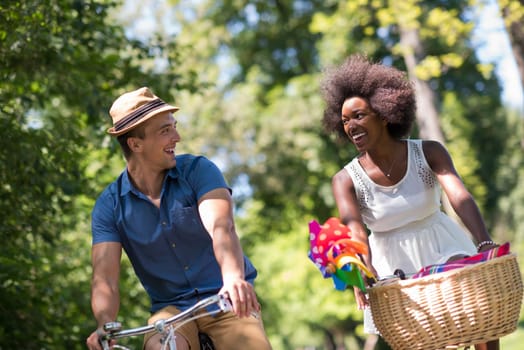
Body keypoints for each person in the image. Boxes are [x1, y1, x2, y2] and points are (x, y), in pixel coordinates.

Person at [320, 55, 499, 350]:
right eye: (345, 121)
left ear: (384, 114)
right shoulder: (345, 180)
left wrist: (484, 242)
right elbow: (355, 231)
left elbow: (459, 196)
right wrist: (360, 274)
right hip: (392, 265)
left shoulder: (428, 152)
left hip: (443, 244)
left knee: (476, 303)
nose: (351, 126)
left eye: (359, 116)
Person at [86, 87, 272, 350]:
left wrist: (233, 277)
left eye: (174, 127)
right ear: (135, 144)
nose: (178, 137)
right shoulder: (110, 205)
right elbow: (105, 279)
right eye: (165, 131)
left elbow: (222, 227)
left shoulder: (198, 170)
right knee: (160, 347)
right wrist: (106, 324)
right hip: (170, 312)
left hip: (226, 298)